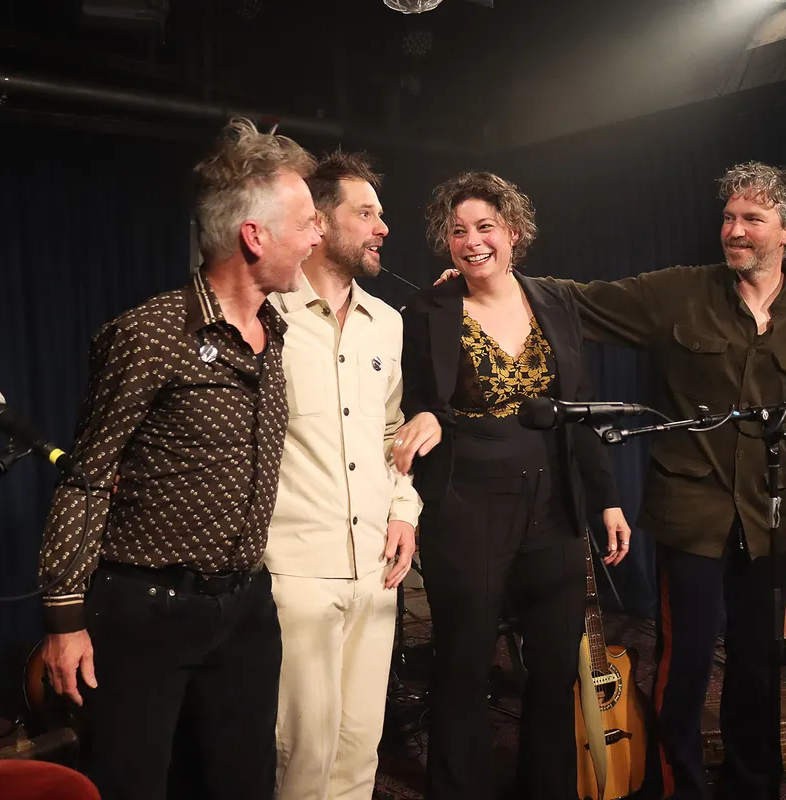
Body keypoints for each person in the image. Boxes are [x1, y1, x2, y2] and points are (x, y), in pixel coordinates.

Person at [437, 161, 786, 799]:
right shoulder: (680, 293)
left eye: (752, 219)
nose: (735, 230)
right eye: (729, 217)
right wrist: (488, 276)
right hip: (689, 514)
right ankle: (677, 787)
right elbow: (578, 299)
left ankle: (753, 787)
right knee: (685, 663)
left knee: (759, 662)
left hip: (770, 516)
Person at [36, 117, 321, 800]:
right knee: (133, 783)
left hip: (246, 607)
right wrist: (64, 620)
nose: (317, 236)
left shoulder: (275, 329)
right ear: (255, 236)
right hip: (148, 612)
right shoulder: (150, 334)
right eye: (306, 222)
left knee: (242, 782)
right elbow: (87, 476)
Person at [393, 171, 630, 800]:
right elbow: (412, 399)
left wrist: (605, 496)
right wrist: (423, 416)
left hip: (554, 499)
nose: (472, 241)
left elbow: (579, 405)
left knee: (553, 665)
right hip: (467, 499)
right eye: (458, 231)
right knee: (464, 662)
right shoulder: (427, 310)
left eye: (485, 227)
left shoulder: (554, 300)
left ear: (514, 232)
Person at [264, 150, 421, 800]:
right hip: (298, 569)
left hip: (377, 569)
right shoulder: (267, 317)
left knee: (360, 749)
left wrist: (404, 510)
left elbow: (392, 432)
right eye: (366, 213)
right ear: (320, 222)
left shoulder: (388, 324)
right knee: (303, 755)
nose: (383, 227)